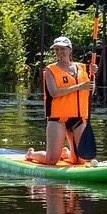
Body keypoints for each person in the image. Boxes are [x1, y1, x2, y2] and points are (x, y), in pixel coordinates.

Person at [28, 35, 95, 165]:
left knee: (80, 161)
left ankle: (66, 153)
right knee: (51, 160)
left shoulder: (83, 68)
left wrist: (93, 76)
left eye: (62, 49)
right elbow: (54, 93)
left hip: (78, 118)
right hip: (58, 118)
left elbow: (91, 91)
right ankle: (31, 154)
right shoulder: (50, 70)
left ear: (70, 50)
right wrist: (79, 86)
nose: (59, 52)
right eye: (57, 50)